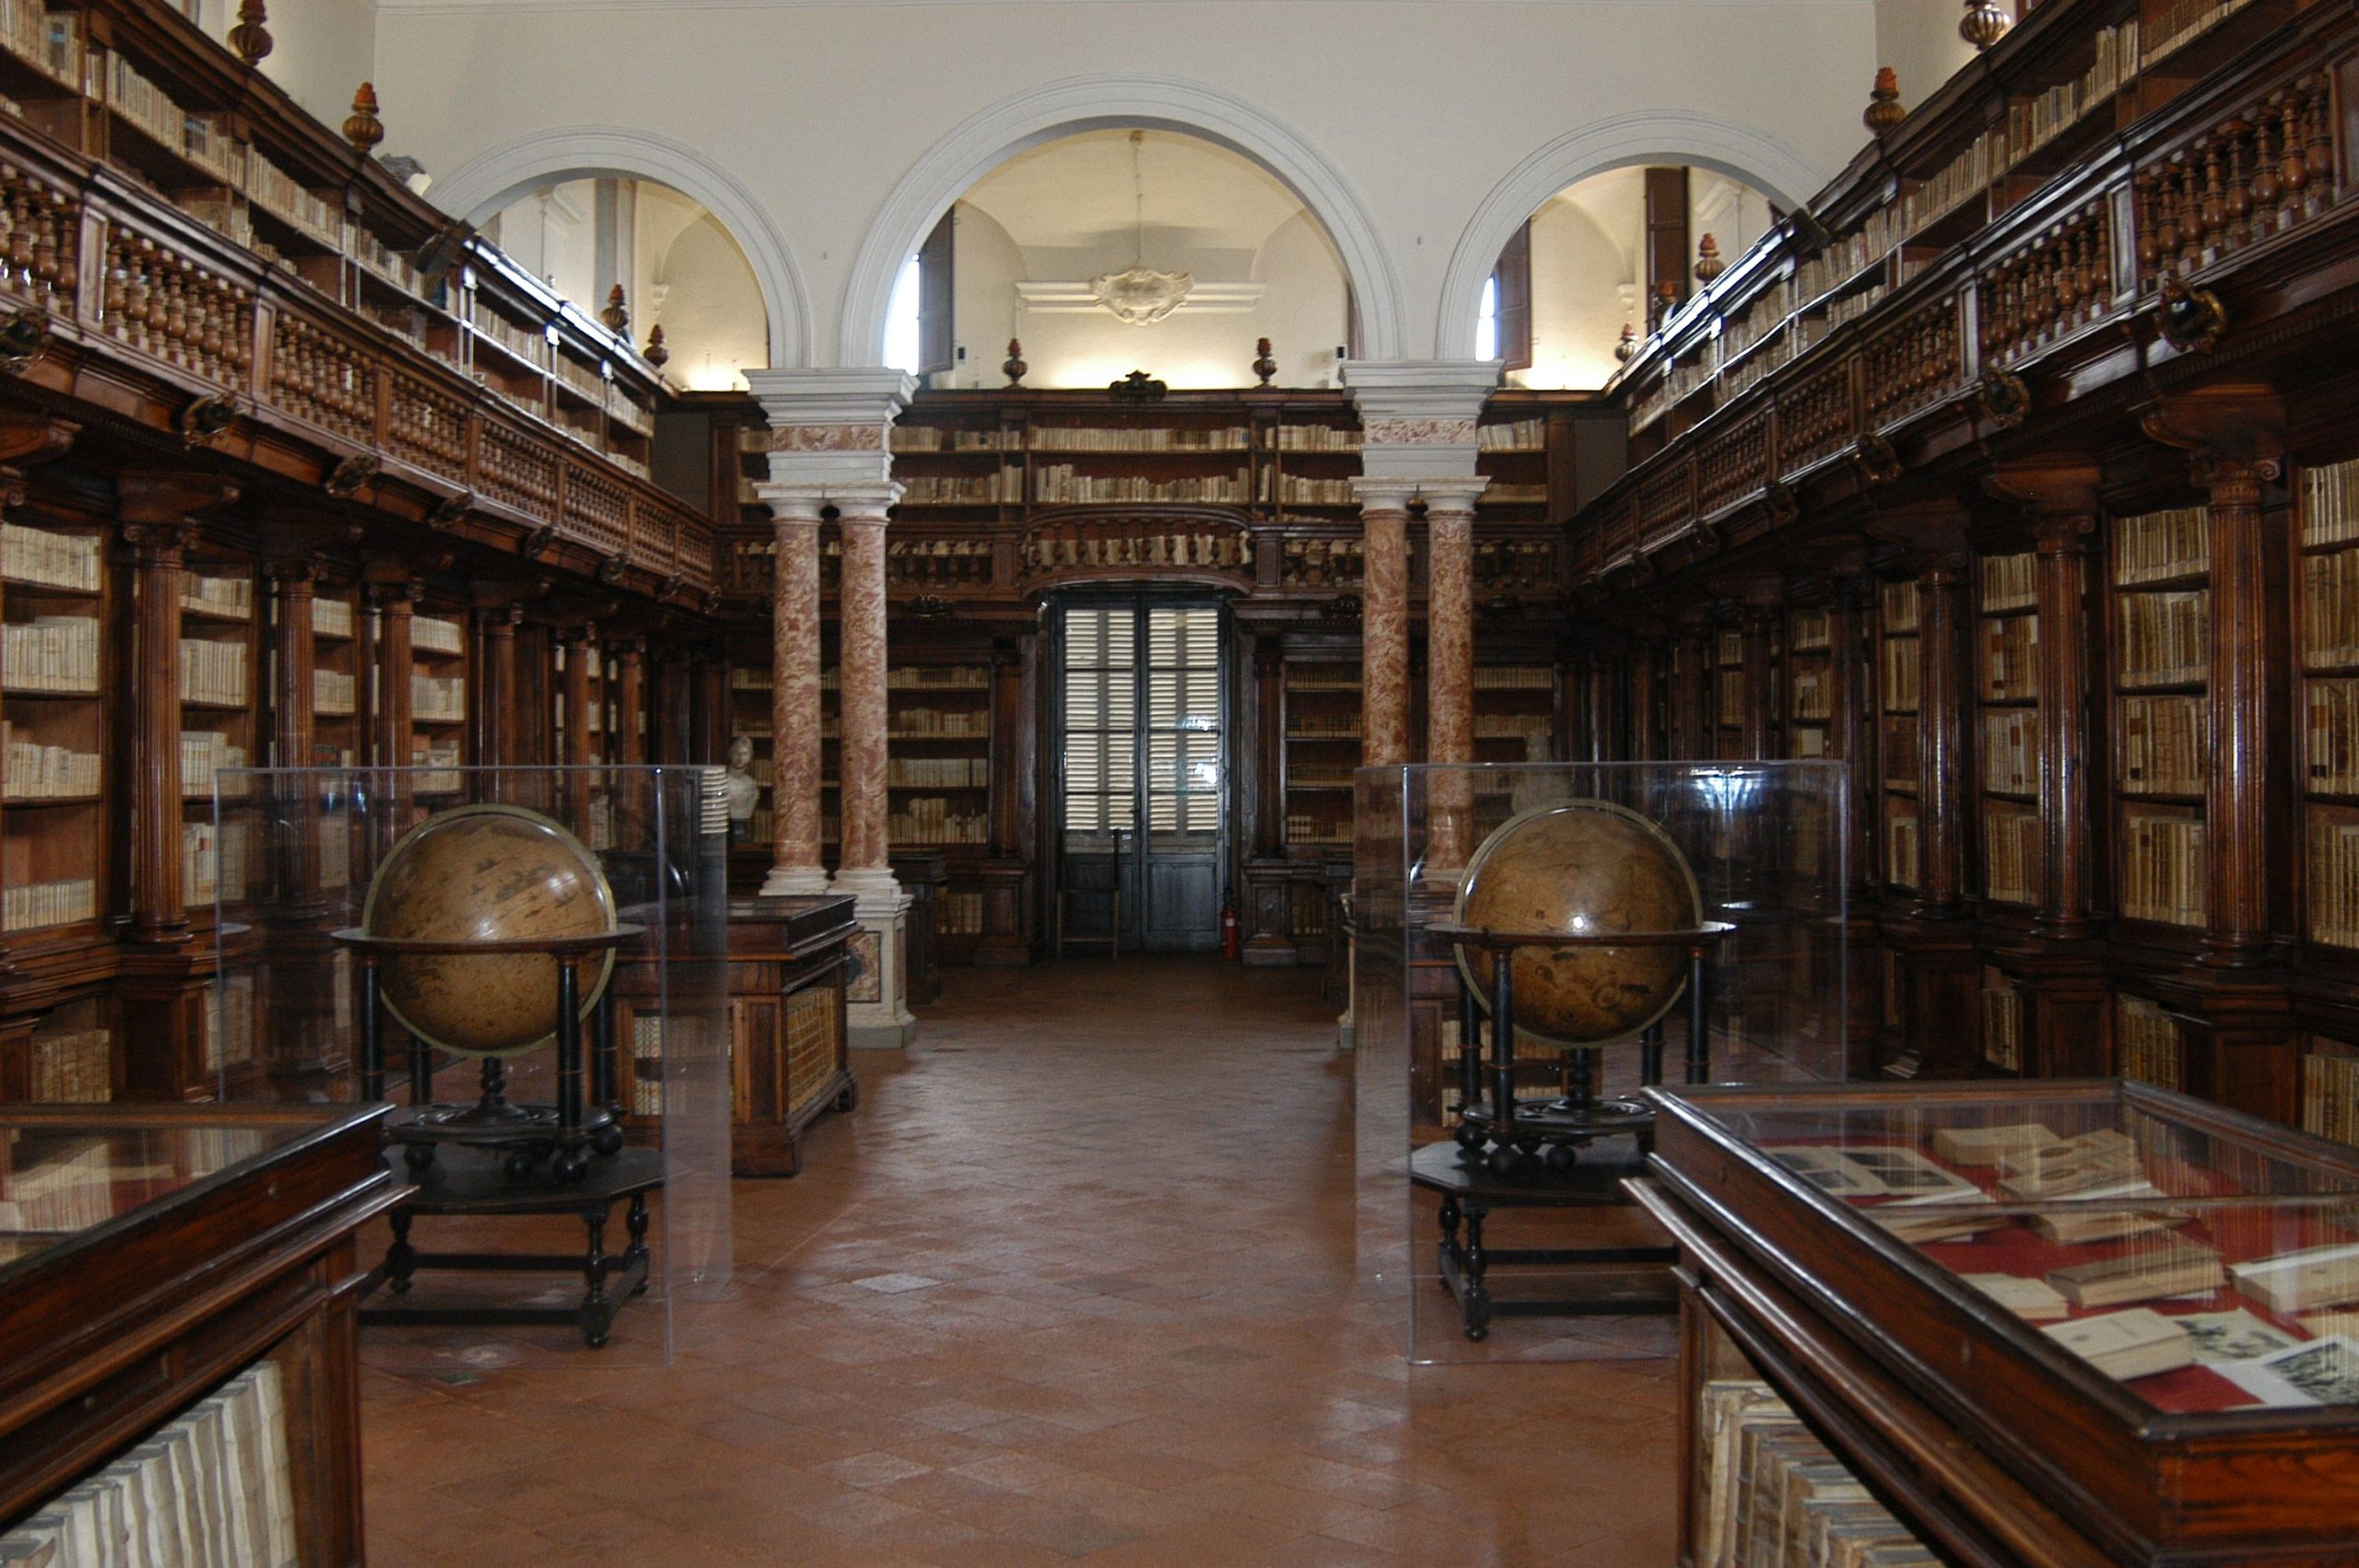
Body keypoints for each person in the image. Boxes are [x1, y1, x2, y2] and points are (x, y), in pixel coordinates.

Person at [722, 733, 759, 840]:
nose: (740, 758)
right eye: (737, 753)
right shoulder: (722, 781)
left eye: (745, 754)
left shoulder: (750, 783)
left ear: (750, 757)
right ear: (730, 754)